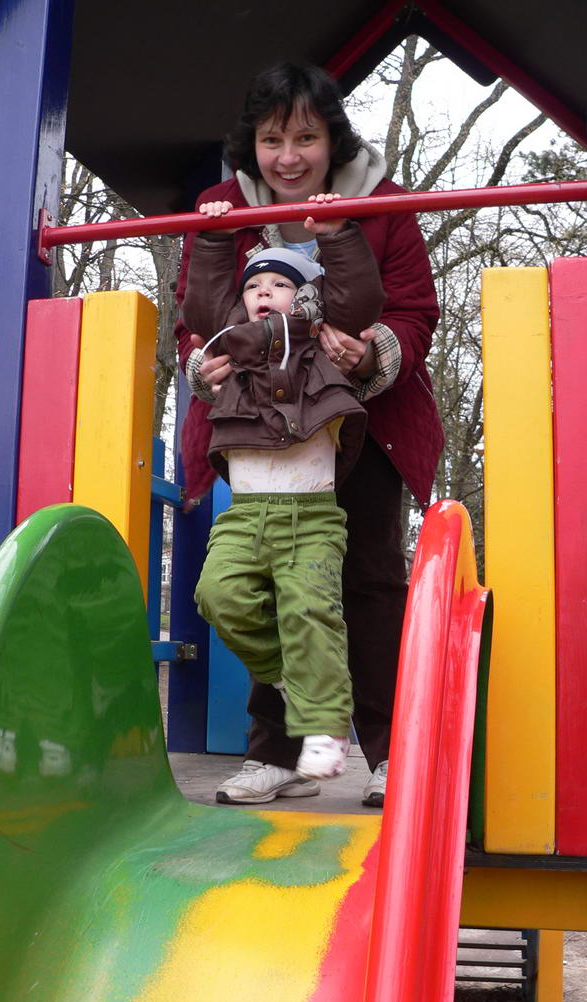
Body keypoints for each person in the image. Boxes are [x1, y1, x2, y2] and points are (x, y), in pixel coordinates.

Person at [175, 62, 444, 806]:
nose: (288, 157)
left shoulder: (383, 205)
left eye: (305, 138)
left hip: (361, 424)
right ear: (251, 145)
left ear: (333, 139)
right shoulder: (223, 210)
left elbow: (416, 310)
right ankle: (279, 750)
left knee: (369, 581)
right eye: (272, 140)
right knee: (266, 581)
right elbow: (195, 313)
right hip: (264, 433)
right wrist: (204, 365)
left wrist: (374, 350)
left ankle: (388, 753)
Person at [184, 195, 384, 781]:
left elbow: (358, 299)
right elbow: (203, 305)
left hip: (311, 513)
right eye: (254, 286)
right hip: (244, 514)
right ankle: (292, 680)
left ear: (308, 298)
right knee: (217, 596)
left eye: (280, 284)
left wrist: (340, 235)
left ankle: (324, 722)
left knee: (310, 610)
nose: (264, 292)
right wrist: (214, 240)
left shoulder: (322, 346)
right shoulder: (231, 352)